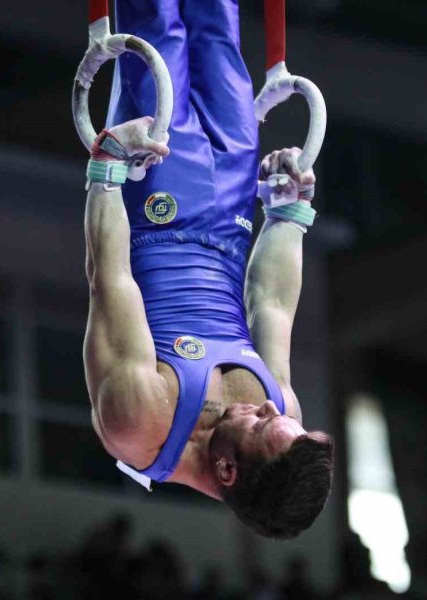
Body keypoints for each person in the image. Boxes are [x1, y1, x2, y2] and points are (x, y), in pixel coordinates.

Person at [83, 0, 333, 539]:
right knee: (219, 27)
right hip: (233, 214)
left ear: (227, 470)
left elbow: (111, 278)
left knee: (161, 27)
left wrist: (106, 172)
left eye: (263, 422)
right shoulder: (280, 405)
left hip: (157, 199)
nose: (270, 404)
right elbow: (271, 303)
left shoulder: (140, 424)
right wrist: (289, 212)